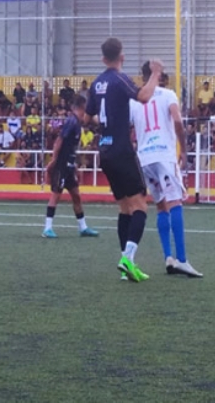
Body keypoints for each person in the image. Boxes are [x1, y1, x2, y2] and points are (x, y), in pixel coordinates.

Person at [85, 37, 163, 283]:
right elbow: (143, 96)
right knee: (140, 205)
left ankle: (126, 265)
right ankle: (128, 258)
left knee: (124, 207)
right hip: (121, 149)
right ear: (122, 57)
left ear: (102, 58)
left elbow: (87, 119)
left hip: (105, 151)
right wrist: (155, 73)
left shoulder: (96, 83)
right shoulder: (119, 79)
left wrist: (107, 123)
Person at [129, 61, 202, 278]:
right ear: (158, 76)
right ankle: (182, 260)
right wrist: (183, 148)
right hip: (163, 155)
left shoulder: (134, 101)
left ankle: (168, 257)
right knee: (175, 201)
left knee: (161, 206)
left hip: (144, 158)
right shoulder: (168, 95)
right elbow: (178, 121)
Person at [42, 96, 98, 239]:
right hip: (62, 165)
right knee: (56, 195)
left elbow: (72, 147)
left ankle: (83, 227)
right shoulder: (71, 121)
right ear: (81, 108)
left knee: (76, 196)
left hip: (69, 165)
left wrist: (75, 164)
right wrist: (54, 160)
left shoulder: (77, 123)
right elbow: (59, 140)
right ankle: (47, 228)